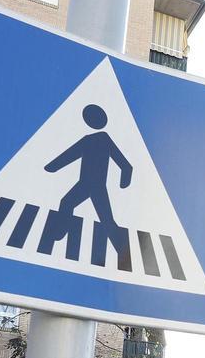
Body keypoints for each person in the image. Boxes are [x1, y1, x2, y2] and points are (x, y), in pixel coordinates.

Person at [37, 104, 133, 270]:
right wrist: (51, 167)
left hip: (96, 186)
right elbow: (69, 155)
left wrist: (124, 180)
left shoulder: (104, 138)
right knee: (66, 203)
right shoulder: (88, 139)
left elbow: (125, 164)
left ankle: (124, 254)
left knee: (106, 219)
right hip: (85, 184)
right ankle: (59, 233)